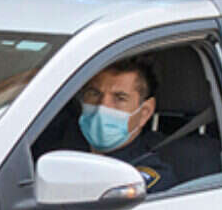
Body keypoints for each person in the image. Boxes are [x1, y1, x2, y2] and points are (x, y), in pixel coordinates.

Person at [66, 57, 175, 194]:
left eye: (120, 98)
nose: (102, 106)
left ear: (144, 113)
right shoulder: (60, 146)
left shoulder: (143, 178)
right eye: (94, 93)